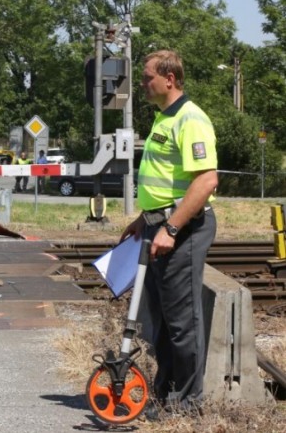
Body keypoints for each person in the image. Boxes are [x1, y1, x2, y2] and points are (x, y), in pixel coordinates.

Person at [119, 50, 218, 419]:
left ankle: (189, 404)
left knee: (182, 319)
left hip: (184, 229)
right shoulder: (165, 118)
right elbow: (163, 181)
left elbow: (206, 180)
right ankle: (165, 394)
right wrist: (145, 220)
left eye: (147, 78)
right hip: (159, 225)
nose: (143, 84)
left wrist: (172, 227)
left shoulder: (190, 119)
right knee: (161, 318)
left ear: (169, 79)